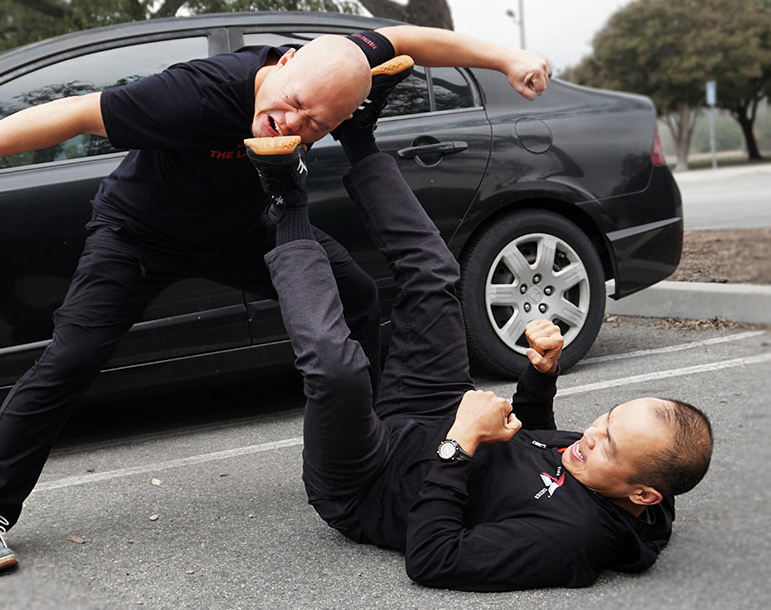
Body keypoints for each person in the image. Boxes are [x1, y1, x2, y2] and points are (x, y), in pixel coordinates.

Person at [0, 25, 553, 576]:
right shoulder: (196, 95)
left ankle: (375, 441)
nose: (292, 123)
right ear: (285, 63)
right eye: (292, 103)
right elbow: (75, 112)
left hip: (244, 229)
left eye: (316, 125)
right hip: (138, 233)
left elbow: (409, 37)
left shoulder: (341, 64)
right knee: (71, 358)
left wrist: (506, 57)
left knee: (353, 292)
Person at [243, 99, 714, 590]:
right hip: (437, 408)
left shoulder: (570, 540)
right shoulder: (620, 471)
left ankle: (287, 198)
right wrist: (541, 375)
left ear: (642, 496)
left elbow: (434, 559)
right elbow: (534, 446)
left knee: (338, 371)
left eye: (608, 445)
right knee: (434, 275)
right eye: (606, 420)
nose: (590, 435)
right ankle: (358, 133)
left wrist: (461, 443)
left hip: (370, 479)